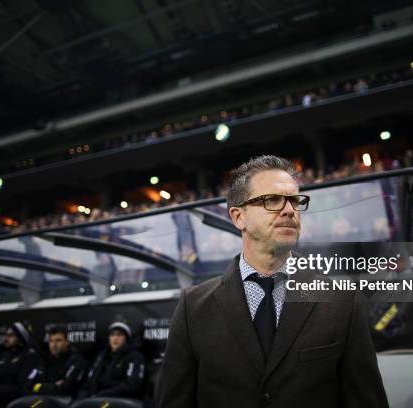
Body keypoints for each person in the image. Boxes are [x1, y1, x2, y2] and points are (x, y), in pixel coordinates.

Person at [158, 155, 388, 407]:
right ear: (238, 218)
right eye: (272, 200)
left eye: (295, 200)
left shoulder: (342, 300)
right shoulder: (193, 308)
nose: (289, 209)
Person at [77, 321, 145, 399]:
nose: (115, 338)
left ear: (126, 338)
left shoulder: (135, 356)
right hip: (97, 399)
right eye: (112, 335)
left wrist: (101, 395)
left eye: (119, 335)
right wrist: (83, 396)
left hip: (117, 400)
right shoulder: (102, 356)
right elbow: (89, 381)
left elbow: (131, 386)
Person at [0, 322, 40, 405]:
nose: (6, 338)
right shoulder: (3, 355)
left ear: (21, 337)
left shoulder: (29, 356)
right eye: (6, 335)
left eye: (11, 335)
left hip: (13, 401)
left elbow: (21, 387)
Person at [26, 325, 88, 398]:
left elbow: (66, 389)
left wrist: (38, 386)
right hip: (40, 401)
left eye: (58, 340)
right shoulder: (44, 360)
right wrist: (53, 386)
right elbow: (27, 386)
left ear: (67, 342)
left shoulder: (76, 361)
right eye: (51, 341)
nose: (54, 345)